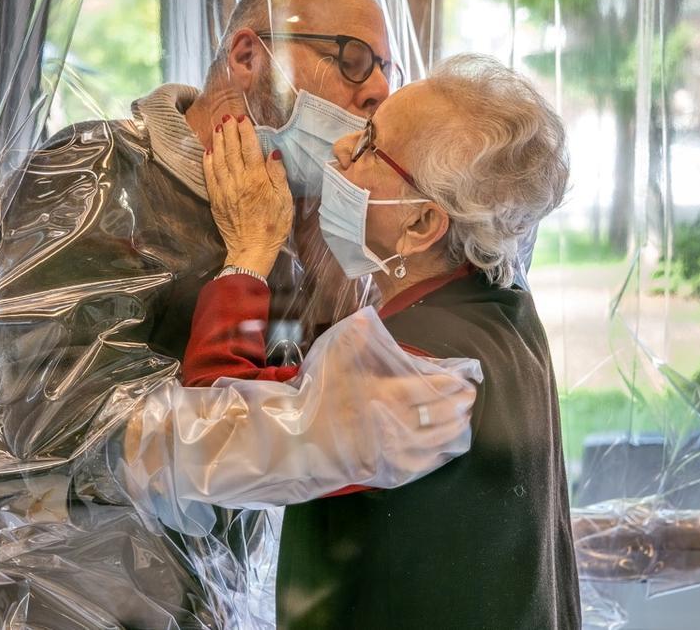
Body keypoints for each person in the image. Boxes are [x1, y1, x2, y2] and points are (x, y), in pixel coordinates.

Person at [0, 0, 459, 629]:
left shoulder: (291, 218)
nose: (377, 89)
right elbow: (66, 437)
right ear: (250, 56)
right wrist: (247, 264)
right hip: (30, 600)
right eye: (353, 58)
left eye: (384, 70)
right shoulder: (93, 175)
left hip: (183, 600)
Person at [186, 53, 580, 629]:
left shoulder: (418, 367)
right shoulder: (498, 307)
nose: (341, 149)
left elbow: (215, 440)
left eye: (370, 144)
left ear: (421, 224)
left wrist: (248, 254)